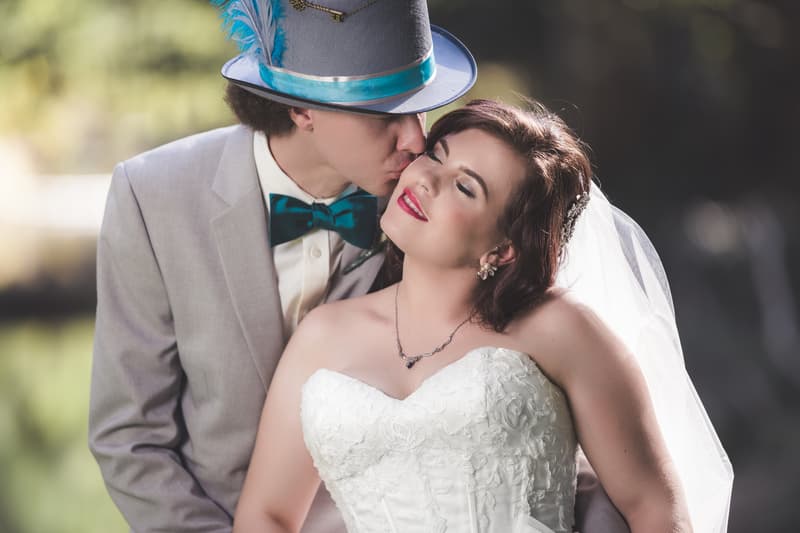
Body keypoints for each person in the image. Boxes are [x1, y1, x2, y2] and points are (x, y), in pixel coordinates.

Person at [232, 99, 734, 532]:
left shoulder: (560, 331)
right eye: (436, 155)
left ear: (504, 249)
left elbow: (655, 506)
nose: (427, 179)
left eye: (465, 187)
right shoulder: (323, 334)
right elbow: (266, 515)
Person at [88, 1, 477, 532]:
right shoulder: (153, 196)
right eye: (386, 113)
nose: (415, 140)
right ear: (302, 109)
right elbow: (130, 439)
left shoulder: (435, 213)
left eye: (420, 109)